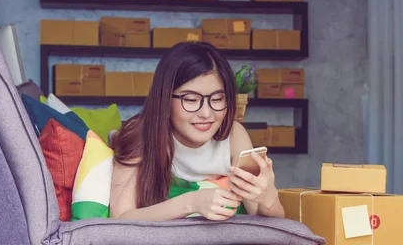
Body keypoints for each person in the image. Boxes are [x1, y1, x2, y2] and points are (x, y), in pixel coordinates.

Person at [109, 41, 285, 221]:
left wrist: (268, 199)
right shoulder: (138, 134)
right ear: (165, 98)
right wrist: (191, 203)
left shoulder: (234, 135)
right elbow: (121, 218)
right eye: (191, 100)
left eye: (217, 99)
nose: (206, 113)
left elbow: (270, 221)